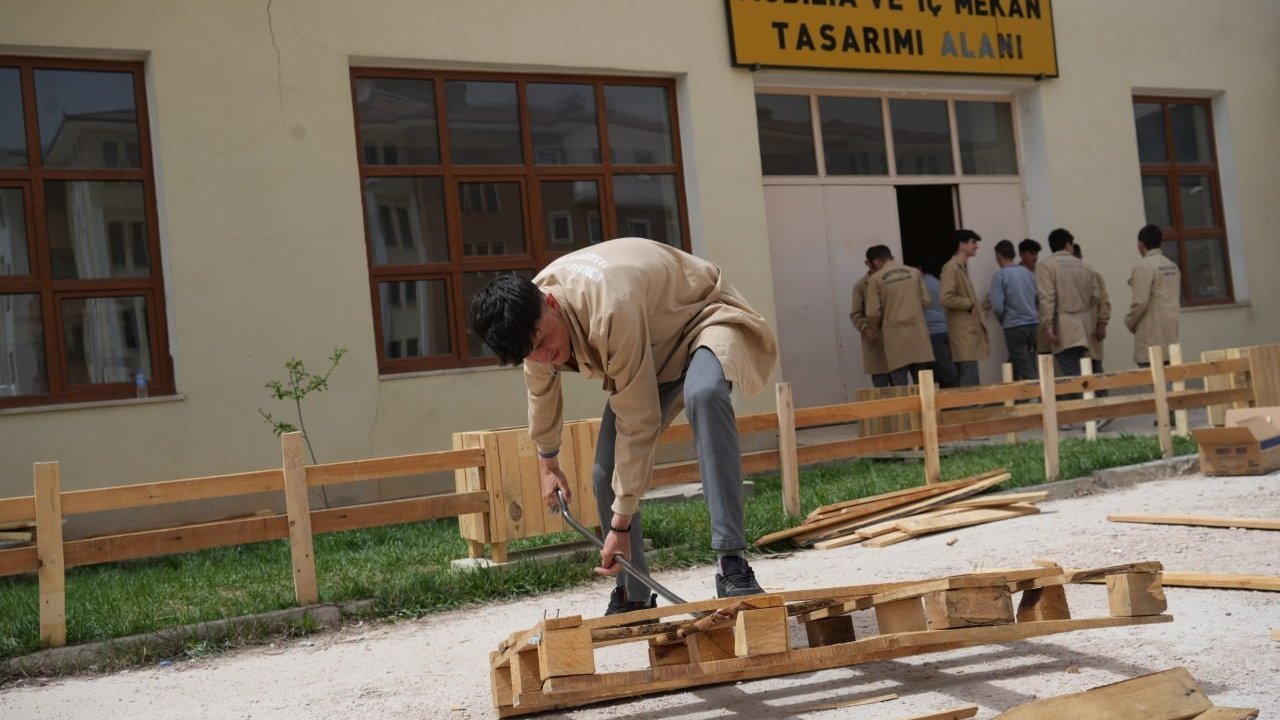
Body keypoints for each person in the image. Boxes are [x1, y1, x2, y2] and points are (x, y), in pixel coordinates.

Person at [469, 238, 777, 616]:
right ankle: (633, 592)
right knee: (605, 473)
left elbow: (639, 420)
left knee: (705, 393)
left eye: (545, 343)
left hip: (703, 319)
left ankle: (732, 564)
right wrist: (548, 462)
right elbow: (541, 392)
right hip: (650, 349)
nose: (544, 356)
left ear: (551, 302)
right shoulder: (526, 321)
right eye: (530, 354)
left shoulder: (609, 308)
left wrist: (620, 523)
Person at [1036, 228, 1100, 378]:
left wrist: (1048, 325)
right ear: (1069, 245)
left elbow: (1047, 298)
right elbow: (1096, 296)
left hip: (1063, 327)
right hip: (1084, 326)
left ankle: (1084, 400)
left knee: (1071, 375)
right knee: (1083, 371)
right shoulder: (1085, 266)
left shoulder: (1046, 266)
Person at [865, 246, 934, 386]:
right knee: (922, 384)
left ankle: (906, 408)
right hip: (918, 334)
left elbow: (872, 313)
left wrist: (878, 326)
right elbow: (926, 301)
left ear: (876, 262)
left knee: (900, 386)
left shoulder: (875, 279)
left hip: (893, 337)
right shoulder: (914, 273)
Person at [1125, 224, 1181, 367]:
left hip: (1151, 331)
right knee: (1170, 375)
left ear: (1140, 245)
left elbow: (1140, 302)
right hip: (1170, 331)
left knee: (1155, 377)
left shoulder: (1143, 266)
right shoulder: (1172, 266)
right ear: (1160, 243)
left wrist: (1129, 322)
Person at [940, 229, 989, 386]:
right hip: (962, 331)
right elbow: (945, 298)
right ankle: (968, 408)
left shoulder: (960, 268)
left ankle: (971, 406)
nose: (976, 247)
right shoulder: (951, 268)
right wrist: (969, 303)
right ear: (962, 245)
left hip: (968, 330)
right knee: (969, 373)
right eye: (973, 242)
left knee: (970, 371)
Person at [989, 239, 1040, 381]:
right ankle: (1011, 391)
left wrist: (1003, 320)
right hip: (1033, 324)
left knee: (1023, 364)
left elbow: (998, 306)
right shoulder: (1028, 274)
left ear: (998, 256)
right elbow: (1038, 299)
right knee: (1022, 360)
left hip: (1014, 325)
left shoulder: (1000, 276)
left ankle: (1035, 394)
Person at [851, 246, 892, 387]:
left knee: (901, 388)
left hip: (896, 342)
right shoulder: (861, 286)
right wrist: (866, 329)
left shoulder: (893, 280)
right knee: (881, 388)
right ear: (867, 263)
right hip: (876, 343)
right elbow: (856, 314)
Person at [1073, 242, 1111, 377]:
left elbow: (1104, 302)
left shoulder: (1094, 275)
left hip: (1092, 330)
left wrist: (1102, 323)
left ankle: (1102, 396)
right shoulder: (1066, 278)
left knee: (1095, 369)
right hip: (1074, 334)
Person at [920, 255, 959, 388]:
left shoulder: (922, 283)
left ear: (920, 268)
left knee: (944, 368)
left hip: (932, 331)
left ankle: (954, 396)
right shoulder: (939, 282)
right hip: (945, 327)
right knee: (945, 363)